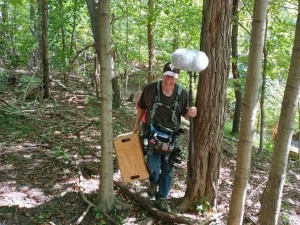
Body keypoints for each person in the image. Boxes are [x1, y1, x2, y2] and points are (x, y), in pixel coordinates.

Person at [133, 62, 197, 212]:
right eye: (166, 77)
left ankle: (162, 198)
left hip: (171, 137)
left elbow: (187, 115)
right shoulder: (150, 89)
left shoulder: (183, 94)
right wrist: (136, 125)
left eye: (172, 78)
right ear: (162, 75)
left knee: (168, 168)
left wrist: (191, 113)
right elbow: (141, 107)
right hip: (151, 133)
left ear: (177, 78)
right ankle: (153, 182)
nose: (169, 81)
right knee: (153, 165)